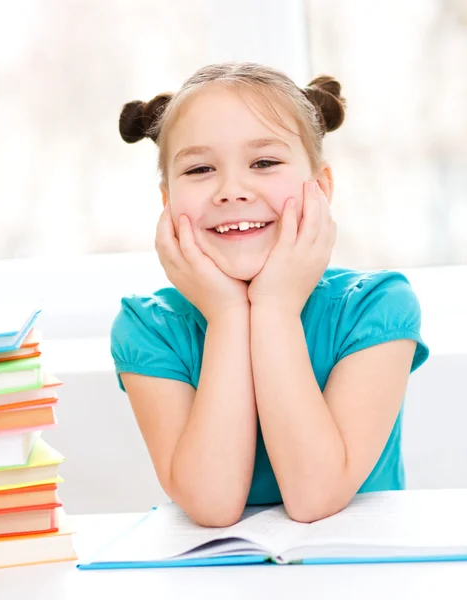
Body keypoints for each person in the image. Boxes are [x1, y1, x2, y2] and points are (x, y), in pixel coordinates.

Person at [110, 62, 429, 527]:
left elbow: (315, 496)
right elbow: (212, 504)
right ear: (168, 203)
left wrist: (276, 308)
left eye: (264, 162)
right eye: (200, 169)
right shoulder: (149, 327)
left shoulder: (375, 306)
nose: (232, 191)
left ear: (320, 188)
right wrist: (226, 315)